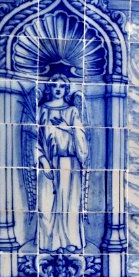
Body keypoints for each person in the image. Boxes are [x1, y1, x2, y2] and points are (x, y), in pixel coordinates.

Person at [37, 74, 89, 253]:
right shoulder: (42, 110)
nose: (58, 89)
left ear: (66, 90)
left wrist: (69, 128)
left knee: (70, 204)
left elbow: (82, 139)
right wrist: (43, 160)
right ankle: (50, 243)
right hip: (49, 163)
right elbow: (33, 138)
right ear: (49, 88)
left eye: (62, 86)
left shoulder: (72, 111)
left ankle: (70, 241)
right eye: (54, 86)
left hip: (70, 162)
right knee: (47, 205)